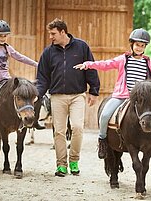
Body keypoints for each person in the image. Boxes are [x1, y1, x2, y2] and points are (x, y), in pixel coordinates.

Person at [74, 28, 151, 159]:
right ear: (132, 45)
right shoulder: (123, 59)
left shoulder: (148, 62)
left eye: (142, 45)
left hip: (142, 100)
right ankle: (102, 141)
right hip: (123, 96)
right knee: (105, 115)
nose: (139, 48)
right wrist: (88, 65)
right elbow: (106, 64)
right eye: (137, 45)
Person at [36, 18, 100, 177]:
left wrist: (94, 90)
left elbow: (90, 68)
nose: (51, 37)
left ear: (63, 32)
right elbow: (42, 77)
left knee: (78, 127)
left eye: (53, 33)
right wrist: (37, 95)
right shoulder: (48, 52)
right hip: (57, 97)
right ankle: (61, 165)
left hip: (78, 95)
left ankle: (74, 160)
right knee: (59, 131)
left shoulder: (82, 46)